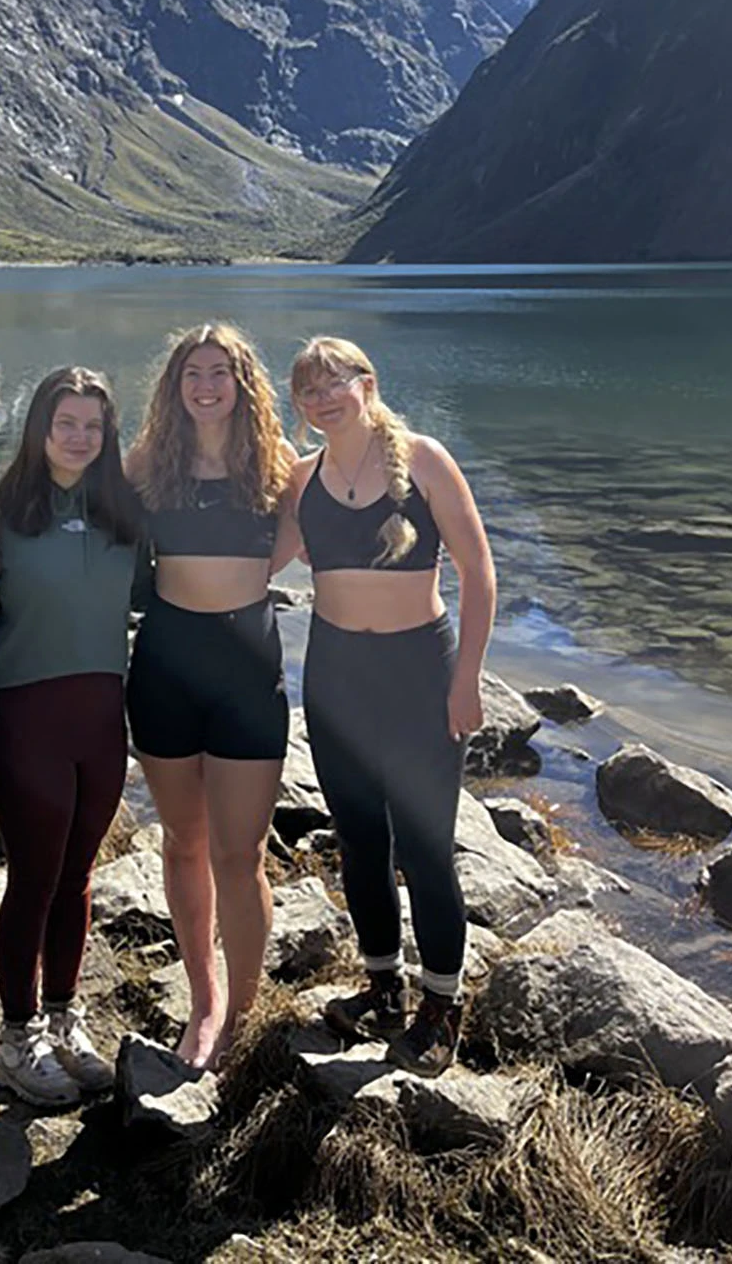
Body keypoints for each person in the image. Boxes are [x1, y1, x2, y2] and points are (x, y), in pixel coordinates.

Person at [284, 335, 496, 1077]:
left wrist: (467, 675)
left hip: (418, 672)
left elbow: (477, 569)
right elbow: (257, 557)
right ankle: (383, 987)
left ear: (366, 383)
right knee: (360, 843)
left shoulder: (425, 458)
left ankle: (442, 1006)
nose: (319, 398)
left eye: (331, 382)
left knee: (426, 848)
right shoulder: (302, 475)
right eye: (306, 389)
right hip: (336, 674)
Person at [125, 322, 298, 1068]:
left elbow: (302, 539)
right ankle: (204, 1001)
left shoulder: (278, 463)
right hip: (166, 664)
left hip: (247, 672)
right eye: (193, 372)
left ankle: (245, 1012)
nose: (205, 384)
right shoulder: (148, 461)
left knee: (241, 851)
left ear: (243, 382)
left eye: (220, 372)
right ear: (175, 385)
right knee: (185, 842)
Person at [0, 367, 144, 1107]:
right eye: (65, 422)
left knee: (79, 875)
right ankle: (16, 1038)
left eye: (93, 424)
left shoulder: (124, 510)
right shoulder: (3, 506)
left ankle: (63, 1016)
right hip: (26, 714)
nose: (79, 436)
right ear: (40, 426)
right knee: (34, 876)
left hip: (102, 718)